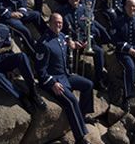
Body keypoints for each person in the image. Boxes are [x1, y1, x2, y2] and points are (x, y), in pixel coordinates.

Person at [0, 3, 47, 112]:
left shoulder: (4, 29)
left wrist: (11, 69)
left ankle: (33, 92)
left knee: (21, 56)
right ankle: (21, 96)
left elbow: (7, 49)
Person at [35, 13, 94, 144]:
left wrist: (74, 45)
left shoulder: (61, 36)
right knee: (71, 100)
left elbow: (67, 42)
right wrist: (52, 84)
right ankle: (80, 137)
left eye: (60, 23)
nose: (58, 25)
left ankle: (83, 115)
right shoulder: (44, 43)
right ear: (49, 24)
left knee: (88, 85)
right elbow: (40, 71)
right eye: (56, 22)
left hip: (65, 76)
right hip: (53, 80)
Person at [60, 0, 108, 89]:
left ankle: (99, 80)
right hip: (70, 43)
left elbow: (92, 28)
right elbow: (60, 32)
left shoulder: (86, 10)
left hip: (85, 43)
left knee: (99, 52)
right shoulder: (61, 11)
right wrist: (70, 41)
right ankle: (68, 79)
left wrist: (87, 41)